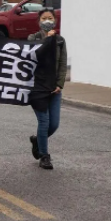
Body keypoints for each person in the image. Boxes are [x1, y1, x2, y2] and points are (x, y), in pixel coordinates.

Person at [26, 9, 67, 170]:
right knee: (44, 122)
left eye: (50, 18)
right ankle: (44, 155)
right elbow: (36, 56)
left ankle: (37, 140)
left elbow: (62, 64)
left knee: (53, 124)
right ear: (39, 21)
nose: (47, 21)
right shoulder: (33, 38)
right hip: (38, 88)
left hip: (54, 88)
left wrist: (60, 84)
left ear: (55, 21)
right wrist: (48, 39)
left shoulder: (60, 40)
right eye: (44, 18)